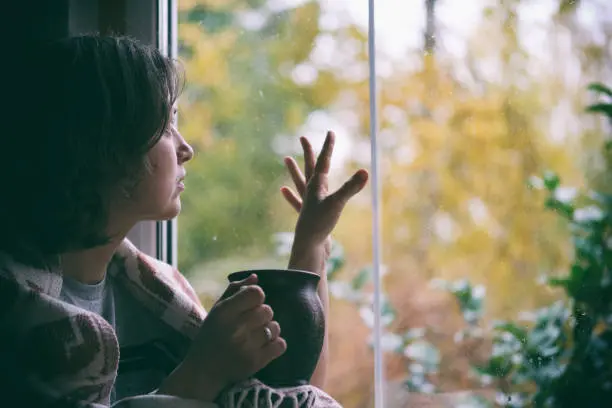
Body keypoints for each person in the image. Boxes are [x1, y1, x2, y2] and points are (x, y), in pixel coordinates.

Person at [0, 35, 369, 408]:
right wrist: (205, 371)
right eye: (165, 126)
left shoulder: (161, 295)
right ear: (104, 146)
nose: (186, 149)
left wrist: (311, 244)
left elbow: (288, 393)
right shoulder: (15, 320)